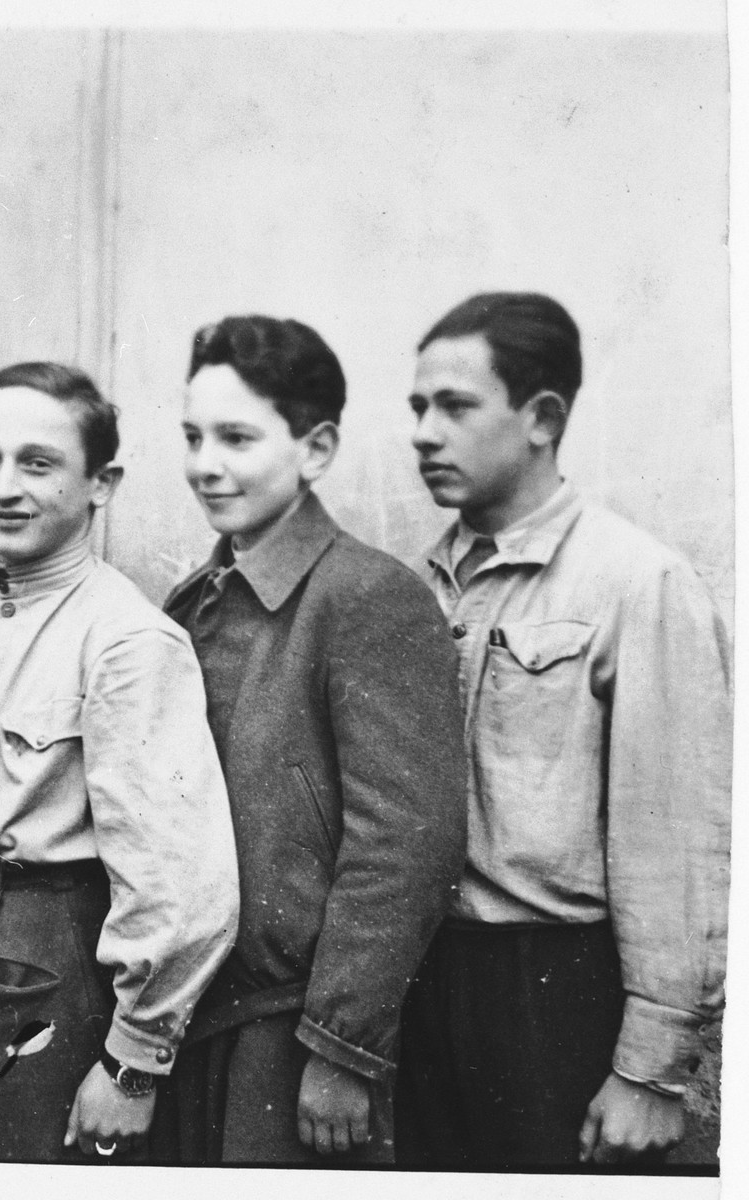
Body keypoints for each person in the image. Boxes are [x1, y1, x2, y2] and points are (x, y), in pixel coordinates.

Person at [395, 292, 731, 1168]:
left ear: (543, 418)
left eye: (455, 407)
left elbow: (678, 842)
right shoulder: (415, 587)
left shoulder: (636, 582)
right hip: (423, 990)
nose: (425, 433)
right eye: (418, 408)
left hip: (554, 996)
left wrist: (652, 1072)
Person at [158, 315, 467, 1164]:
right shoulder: (196, 602)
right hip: (196, 1017)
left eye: (236, 437)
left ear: (317, 447)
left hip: (293, 1033)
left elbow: (406, 843)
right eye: (191, 437)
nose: (205, 464)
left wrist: (340, 1048)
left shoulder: (367, 598)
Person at [0, 361, 239, 1163]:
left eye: (38, 463)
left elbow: (178, 878)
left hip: (53, 961)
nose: (3, 488)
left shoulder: (126, 640)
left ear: (102, 484)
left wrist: (132, 1062)